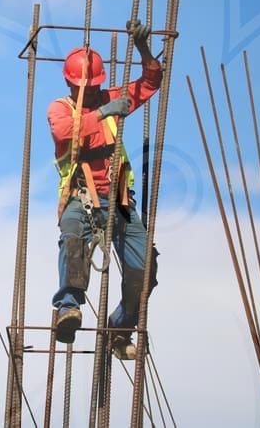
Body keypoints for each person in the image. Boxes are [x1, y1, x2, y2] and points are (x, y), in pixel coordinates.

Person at [46, 20, 161, 359]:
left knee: (144, 273)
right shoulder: (61, 108)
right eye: (85, 87)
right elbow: (63, 132)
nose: (92, 91)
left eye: (96, 86)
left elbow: (150, 82)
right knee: (72, 236)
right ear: (69, 83)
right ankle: (69, 306)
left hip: (119, 199)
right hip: (81, 196)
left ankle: (119, 328)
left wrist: (143, 50)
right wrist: (103, 112)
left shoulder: (110, 99)